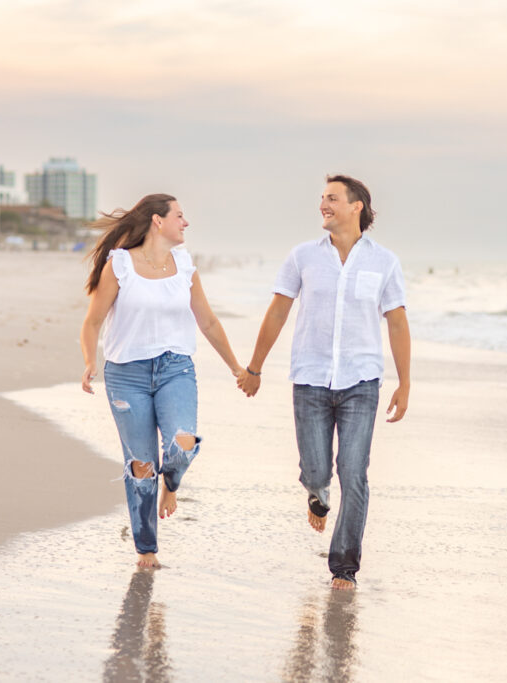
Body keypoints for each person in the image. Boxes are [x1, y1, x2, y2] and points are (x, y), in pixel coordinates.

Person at [237, 175, 411, 590]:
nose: (323, 205)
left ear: (357, 207)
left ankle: (344, 567)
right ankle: (316, 491)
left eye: (331, 198)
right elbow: (277, 312)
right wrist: (255, 367)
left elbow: (398, 323)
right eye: (322, 198)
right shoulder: (302, 257)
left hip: (362, 382)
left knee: (354, 472)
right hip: (311, 380)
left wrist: (405, 383)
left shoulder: (384, 262)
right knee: (317, 469)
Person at [80, 193, 245, 569]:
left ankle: (170, 486)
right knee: (141, 466)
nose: (185, 223)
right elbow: (92, 321)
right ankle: (146, 549)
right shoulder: (119, 265)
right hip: (127, 375)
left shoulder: (185, 265)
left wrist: (236, 366)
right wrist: (90, 360)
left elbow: (208, 322)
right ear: (158, 221)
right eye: (180, 216)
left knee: (182, 445)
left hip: (176, 369)